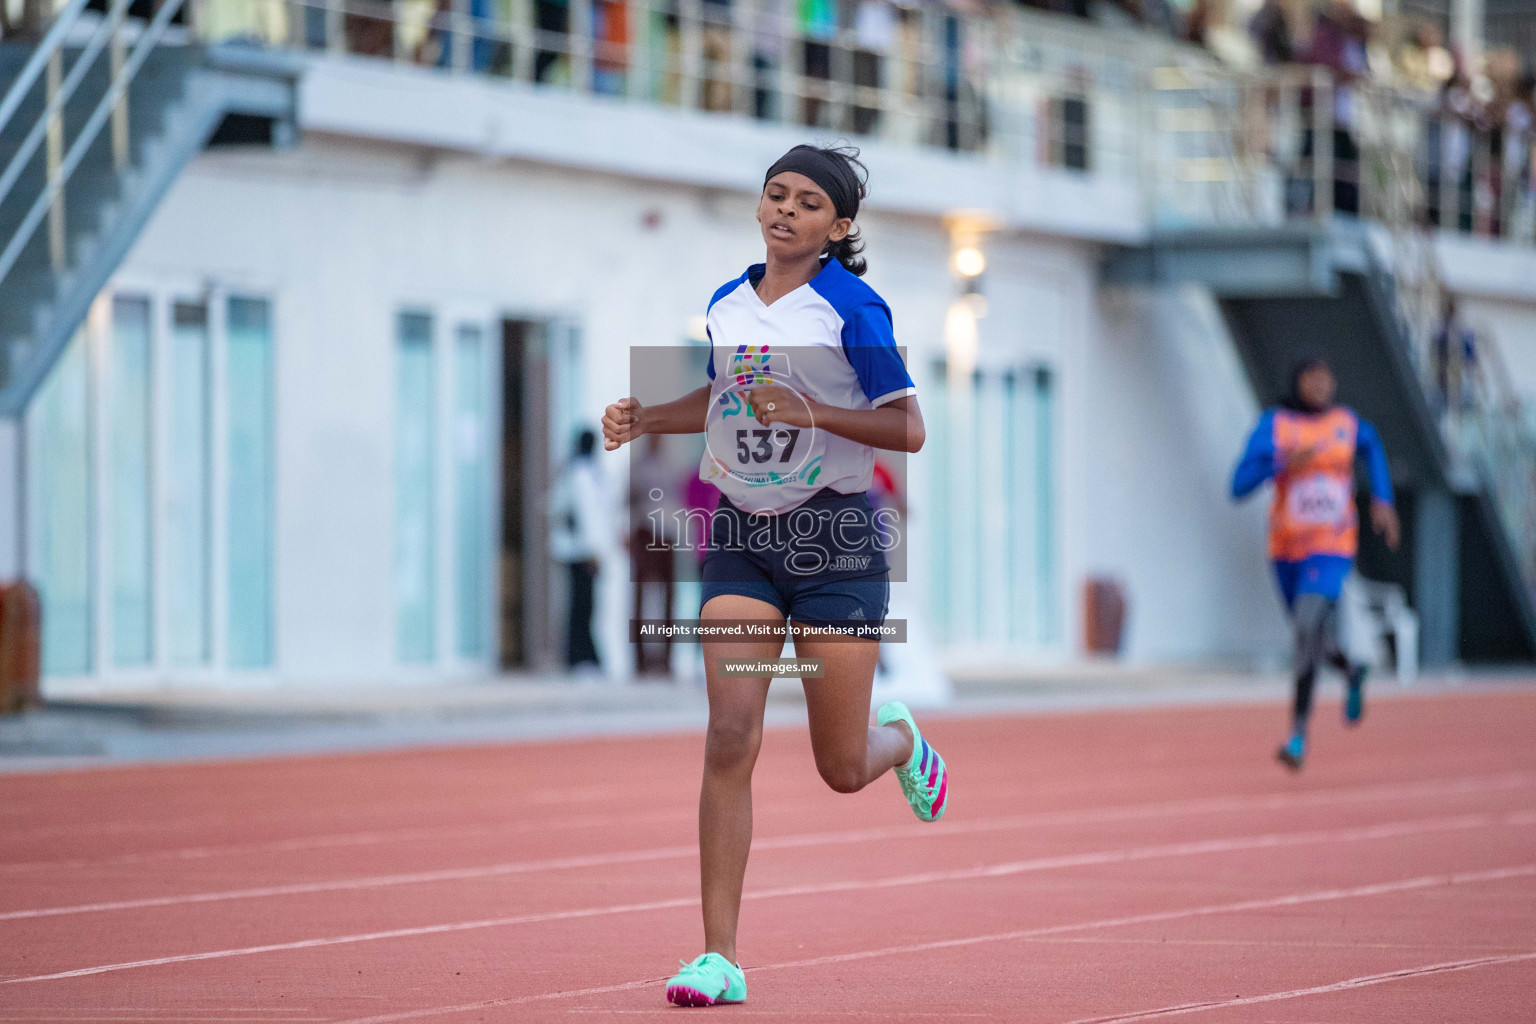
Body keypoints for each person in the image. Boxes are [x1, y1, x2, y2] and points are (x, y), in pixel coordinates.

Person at [602, 143, 944, 1008]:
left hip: (835, 543)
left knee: (838, 764)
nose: (786, 210)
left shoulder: (854, 310)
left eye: (807, 202)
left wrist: (814, 410)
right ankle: (718, 955)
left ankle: (897, 739)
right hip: (742, 539)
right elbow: (721, 401)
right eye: (775, 194)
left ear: (839, 225)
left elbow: (908, 428)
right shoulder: (726, 302)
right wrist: (648, 416)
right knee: (730, 735)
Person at [1231, 355, 1400, 770]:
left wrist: (1382, 498)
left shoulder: (1346, 423)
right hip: (1286, 549)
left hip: (1332, 546)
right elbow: (1238, 485)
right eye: (1314, 379)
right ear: (1298, 381)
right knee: (1310, 639)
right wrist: (1286, 462)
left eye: (1329, 378)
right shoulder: (1276, 426)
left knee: (1307, 627)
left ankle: (1297, 736)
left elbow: (1373, 447)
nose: (1324, 386)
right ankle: (1352, 668)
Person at [550, 428, 611, 671]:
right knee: (581, 606)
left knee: (584, 605)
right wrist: (593, 551)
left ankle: (583, 655)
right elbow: (585, 517)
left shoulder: (586, 473)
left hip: (584, 551)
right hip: (580, 552)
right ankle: (579, 656)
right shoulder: (579, 474)